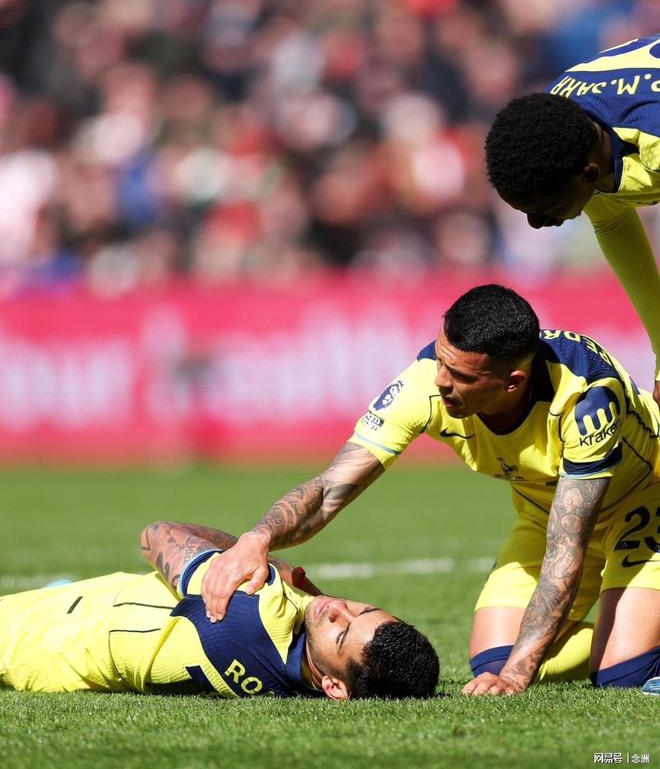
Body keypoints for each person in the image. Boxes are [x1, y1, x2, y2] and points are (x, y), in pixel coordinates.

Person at [201, 284, 660, 696]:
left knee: (618, 675)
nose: (441, 381)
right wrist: (258, 537)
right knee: (493, 663)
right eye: (442, 360)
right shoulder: (426, 383)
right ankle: (625, 634)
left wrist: (518, 676)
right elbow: (330, 489)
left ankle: (627, 647)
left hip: (642, 503)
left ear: (512, 383)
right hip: (545, 514)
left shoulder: (586, 400)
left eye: (461, 376)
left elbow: (567, 546)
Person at [0, 520, 439, 700]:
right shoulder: (301, 682)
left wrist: (249, 549)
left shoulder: (256, 602)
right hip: (65, 666)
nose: (338, 608)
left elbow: (156, 536)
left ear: (334, 686)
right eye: (361, 608)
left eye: (341, 632)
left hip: (48, 627)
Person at [484, 34, 660, 406]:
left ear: (589, 174)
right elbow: (613, 222)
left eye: (546, 208)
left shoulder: (651, 140)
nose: (536, 224)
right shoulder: (563, 129)